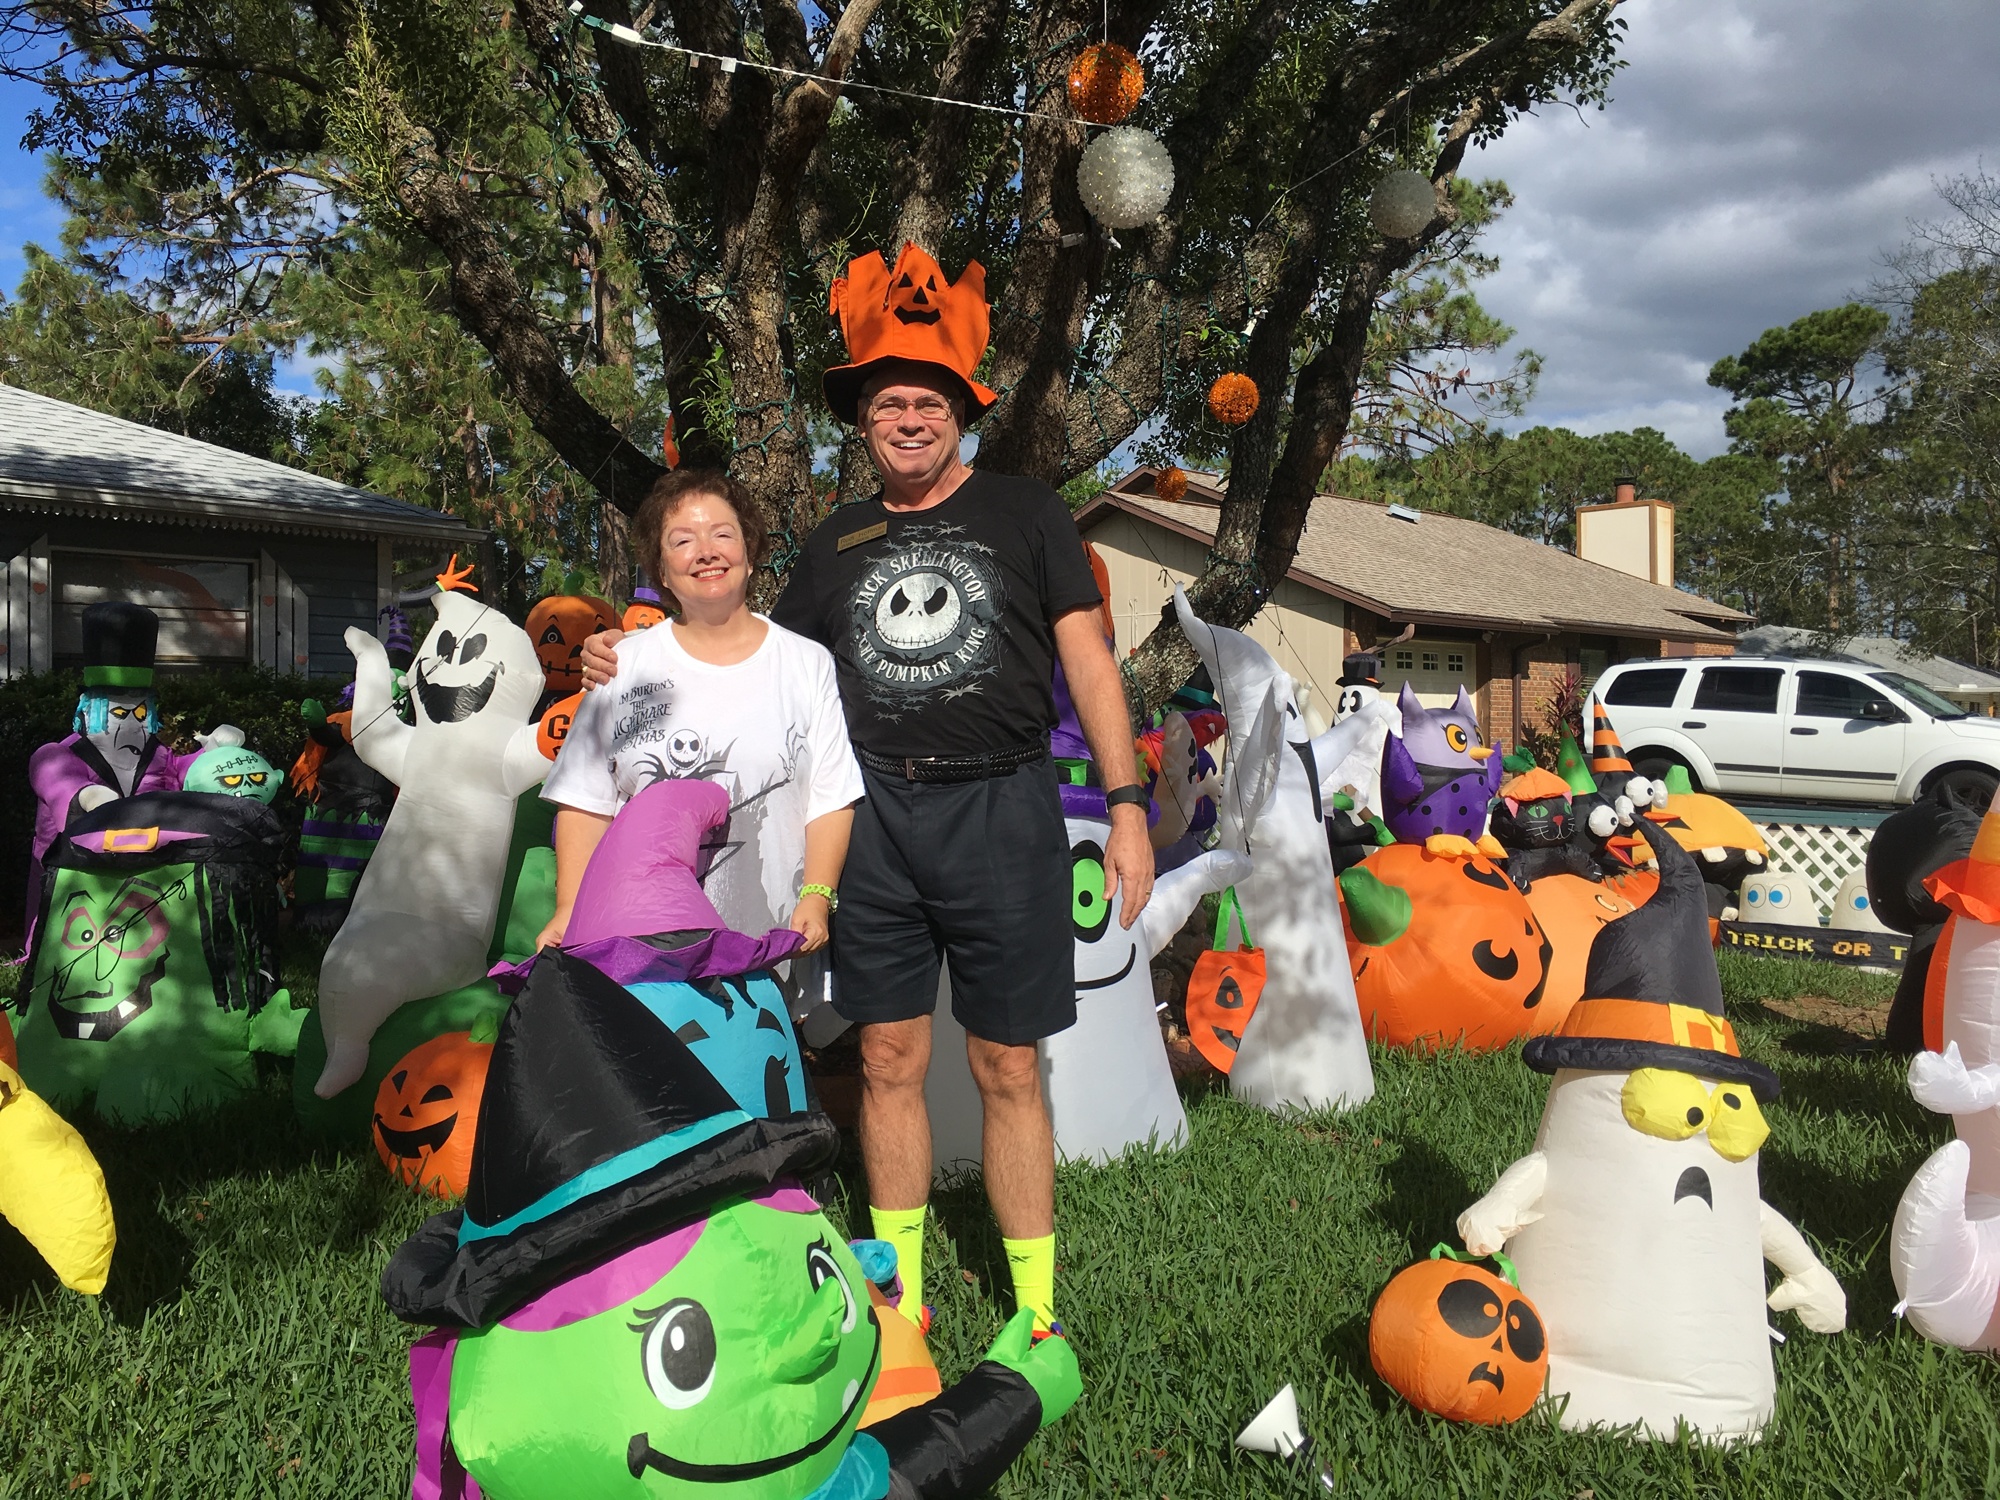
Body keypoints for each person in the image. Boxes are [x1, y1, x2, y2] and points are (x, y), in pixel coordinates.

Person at [580, 242, 1153, 1337]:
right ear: (863, 419)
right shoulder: (836, 542)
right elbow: (753, 657)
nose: (907, 417)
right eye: (887, 401)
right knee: (887, 1055)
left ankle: (1033, 1309)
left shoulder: (1030, 513)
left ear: (960, 410)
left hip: (1003, 809)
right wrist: (634, 651)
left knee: (1007, 1063)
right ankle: (900, 1299)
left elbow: (1089, 664)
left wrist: (1126, 806)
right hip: (877, 820)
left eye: (927, 399)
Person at [538, 470, 862, 983]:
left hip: (769, 940)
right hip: (639, 941)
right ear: (662, 571)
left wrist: (817, 895)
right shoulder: (623, 665)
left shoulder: (807, 663)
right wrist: (569, 909)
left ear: (750, 552)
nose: (706, 551)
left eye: (723, 534)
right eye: (682, 540)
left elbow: (830, 796)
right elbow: (587, 801)